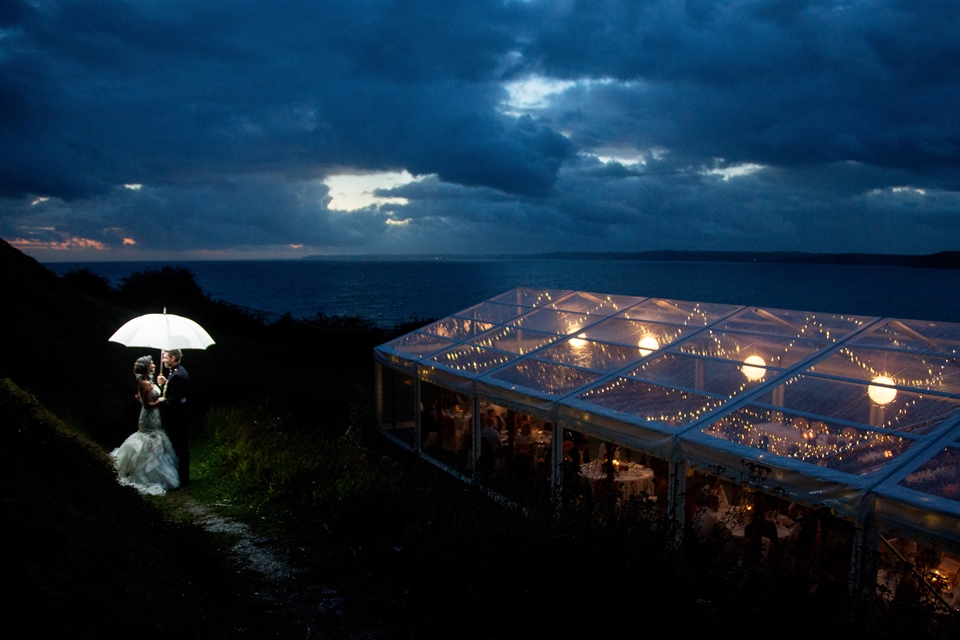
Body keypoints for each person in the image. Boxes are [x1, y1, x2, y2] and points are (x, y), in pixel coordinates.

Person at [111, 356, 180, 495]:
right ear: (146, 367)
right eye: (151, 363)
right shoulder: (144, 383)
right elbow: (147, 405)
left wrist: (162, 384)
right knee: (149, 440)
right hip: (149, 416)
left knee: (156, 439)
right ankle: (146, 473)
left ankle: (157, 469)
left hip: (155, 416)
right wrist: (160, 402)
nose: (154, 364)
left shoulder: (149, 381)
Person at [157, 349, 190, 484]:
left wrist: (161, 401)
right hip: (179, 415)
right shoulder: (177, 372)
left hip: (176, 416)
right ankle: (181, 475)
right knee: (179, 444)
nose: (163, 360)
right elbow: (175, 389)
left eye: (165, 357)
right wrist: (165, 383)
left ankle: (182, 476)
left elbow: (174, 399)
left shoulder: (177, 375)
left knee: (178, 444)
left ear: (173, 358)